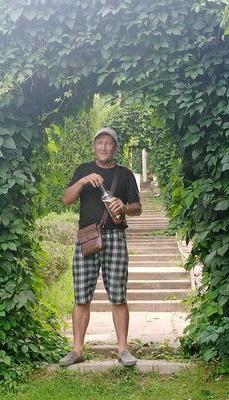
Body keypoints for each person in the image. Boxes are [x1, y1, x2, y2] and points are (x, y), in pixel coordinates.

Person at [59, 127, 142, 367]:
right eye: (99, 143)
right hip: (87, 237)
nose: (104, 147)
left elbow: (137, 208)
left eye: (108, 143)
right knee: (81, 296)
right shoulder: (83, 170)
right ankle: (77, 350)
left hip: (115, 237)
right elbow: (66, 199)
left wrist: (124, 207)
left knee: (118, 296)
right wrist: (83, 181)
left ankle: (123, 350)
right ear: (94, 146)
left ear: (115, 147)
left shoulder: (125, 174)